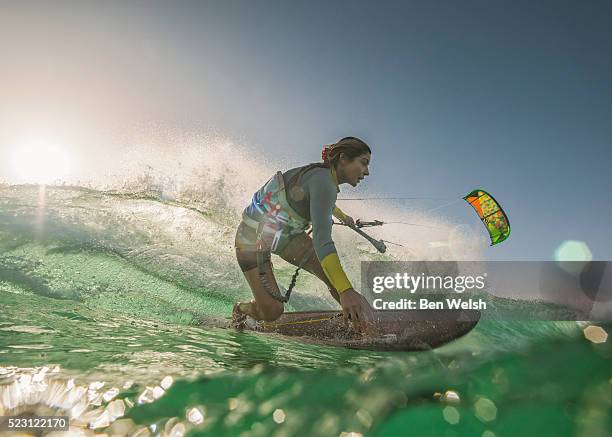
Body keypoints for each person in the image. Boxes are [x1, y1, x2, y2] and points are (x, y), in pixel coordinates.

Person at [233, 136, 375, 332]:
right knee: (272, 311)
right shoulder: (323, 181)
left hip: (286, 237)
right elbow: (322, 241)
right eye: (364, 163)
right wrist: (346, 290)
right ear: (343, 159)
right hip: (252, 238)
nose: (367, 172)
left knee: (335, 279)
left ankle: (362, 328)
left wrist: (342, 215)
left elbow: (320, 201)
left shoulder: (324, 178)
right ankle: (241, 308)